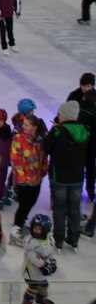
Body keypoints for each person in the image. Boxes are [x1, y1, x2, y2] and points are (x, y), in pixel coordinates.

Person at [42, 100, 89, 251]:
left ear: (65, 116)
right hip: (77, 178)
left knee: (60, 208)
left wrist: (53, 130)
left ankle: (59, 239)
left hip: (59, 178)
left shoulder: (58, 132)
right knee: (75, 209)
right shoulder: (85, 131)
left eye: (60, 114)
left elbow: (46, 148)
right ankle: (74, 240)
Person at [11, 113, 48, 246]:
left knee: (31, 202)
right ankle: (16, 228)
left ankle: (20, 224)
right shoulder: (18, 138)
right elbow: (15, 159)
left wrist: (43, 171)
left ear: (34, 127)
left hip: (36, 179)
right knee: (24, 204)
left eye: (27, 125)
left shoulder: (40, 140)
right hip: (23, 180)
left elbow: (43, 157)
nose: (23, 126)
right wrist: (21, 176)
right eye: (24, 124)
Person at [21, 213, 57, 304]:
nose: (36, 231)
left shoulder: (50, 240)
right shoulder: (30, 241)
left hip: (42, 271)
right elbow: (32, 255)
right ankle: (26, 303)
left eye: (39, 229)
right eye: (35, 228)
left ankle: (40, 298)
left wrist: (51, 262)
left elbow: (50, 252)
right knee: (34, 286)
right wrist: (42, 265)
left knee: (44, 285)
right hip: (31, 271)